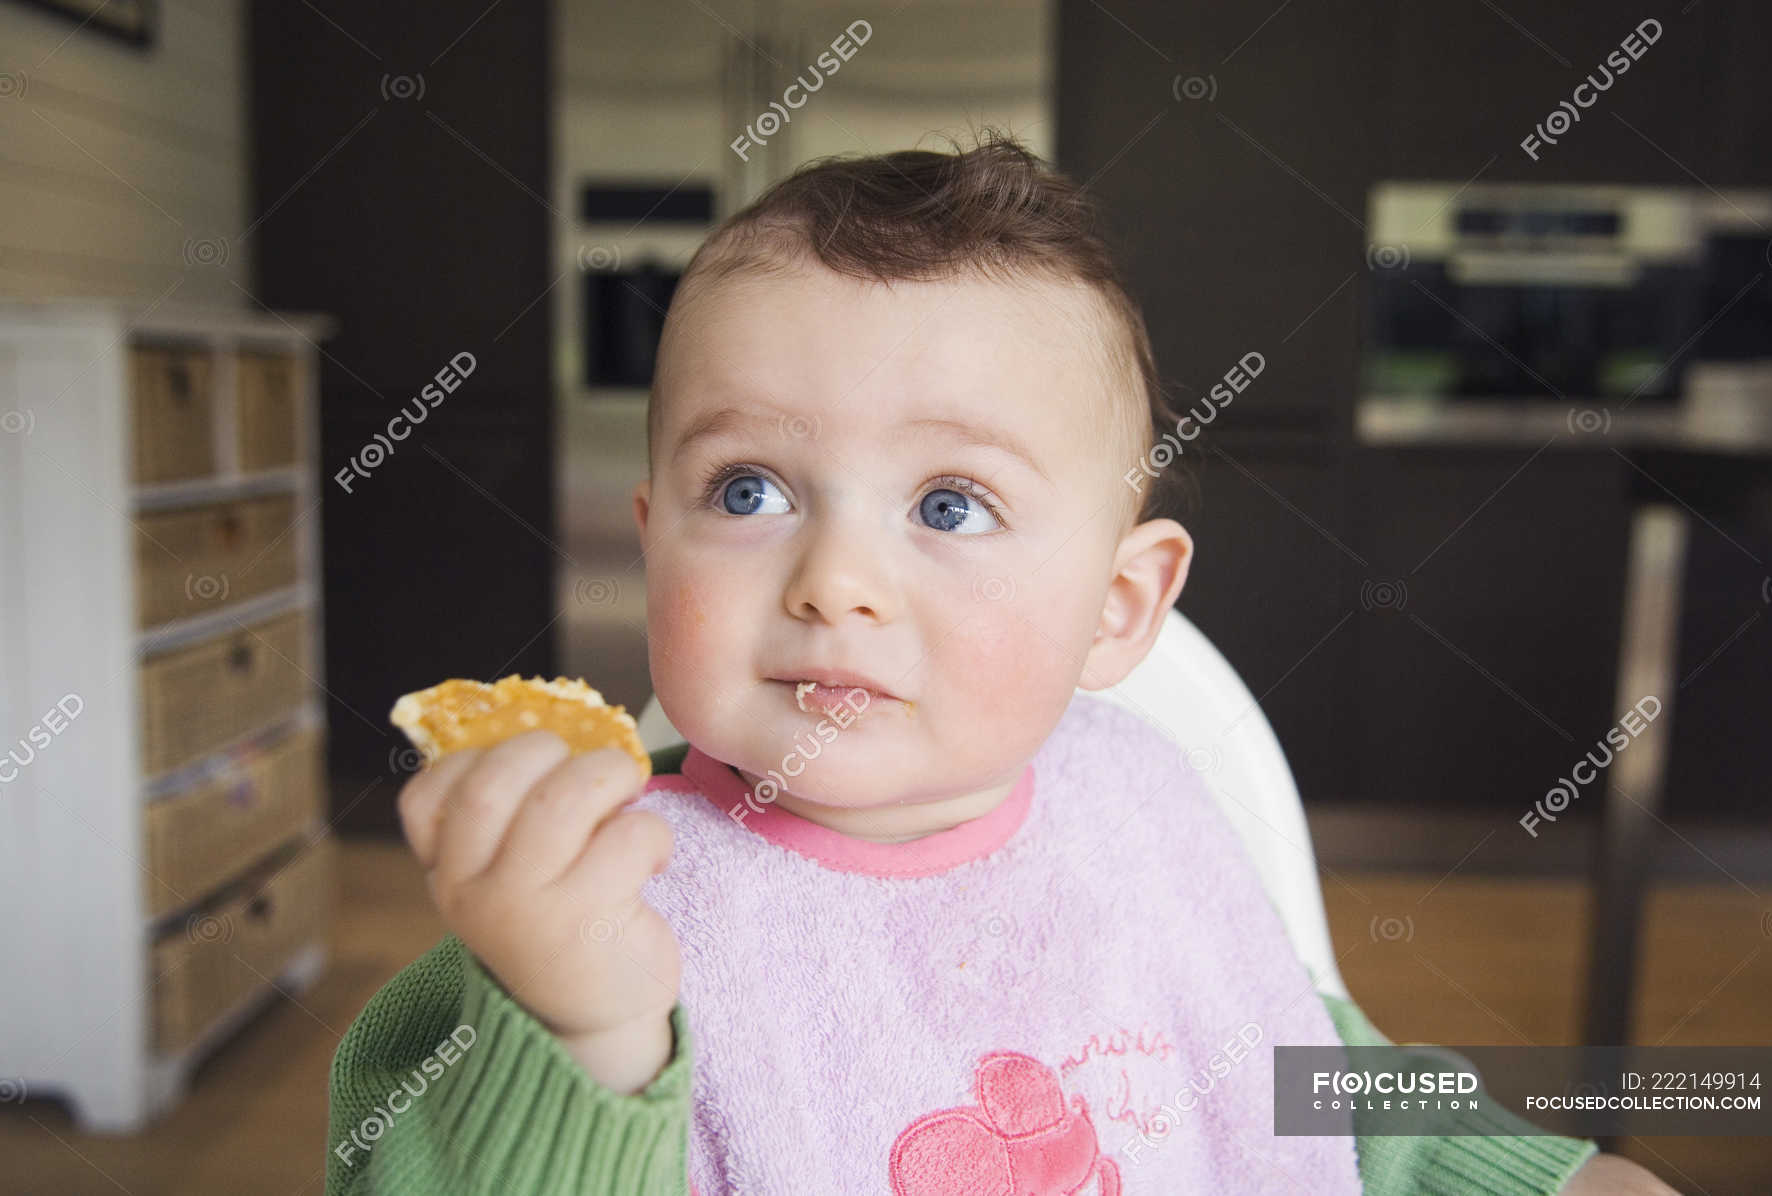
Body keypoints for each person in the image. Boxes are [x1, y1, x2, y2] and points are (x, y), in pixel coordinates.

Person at [326, 130, 1676, 1194]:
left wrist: (1535, 1175)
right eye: (748, 490)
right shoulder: (585, 912)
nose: (836, 580)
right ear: (651, 540)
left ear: (1117, 608)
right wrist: (581, 1035)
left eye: (950, 504)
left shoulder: (1145, 807)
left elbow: (1316, 1076)